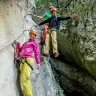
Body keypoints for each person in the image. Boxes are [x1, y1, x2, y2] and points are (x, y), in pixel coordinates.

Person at [13, 29, 40, 96]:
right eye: (31, 34)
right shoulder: (26, 43)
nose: (32, 36)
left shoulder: (34, 43)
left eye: (34, 35)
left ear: (35, 36)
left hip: (28, 59)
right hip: (22, 60)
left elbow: (37, 53)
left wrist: (38, 62)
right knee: (23, 77)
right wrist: (18, 43)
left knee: (25, 78)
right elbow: (20, 49)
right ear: (29, 34)